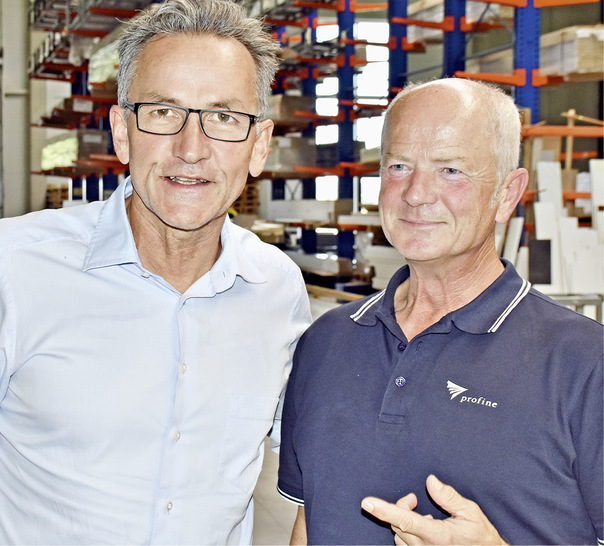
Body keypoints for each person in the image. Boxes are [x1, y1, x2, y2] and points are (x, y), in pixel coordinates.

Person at [0, 0, 311, 543]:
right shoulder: (17, 268)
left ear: (259, 145)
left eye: (223, 117)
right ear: (122, 132)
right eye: (163, 112)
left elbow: (322, 462)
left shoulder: (277, 289)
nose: (192, 150)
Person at [277, 78, 603, 545]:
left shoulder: (585, 364)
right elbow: (311, 522)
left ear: (507, 194)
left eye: (450, 170)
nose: (415, 193)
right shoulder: (325, 341)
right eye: (398, 166)